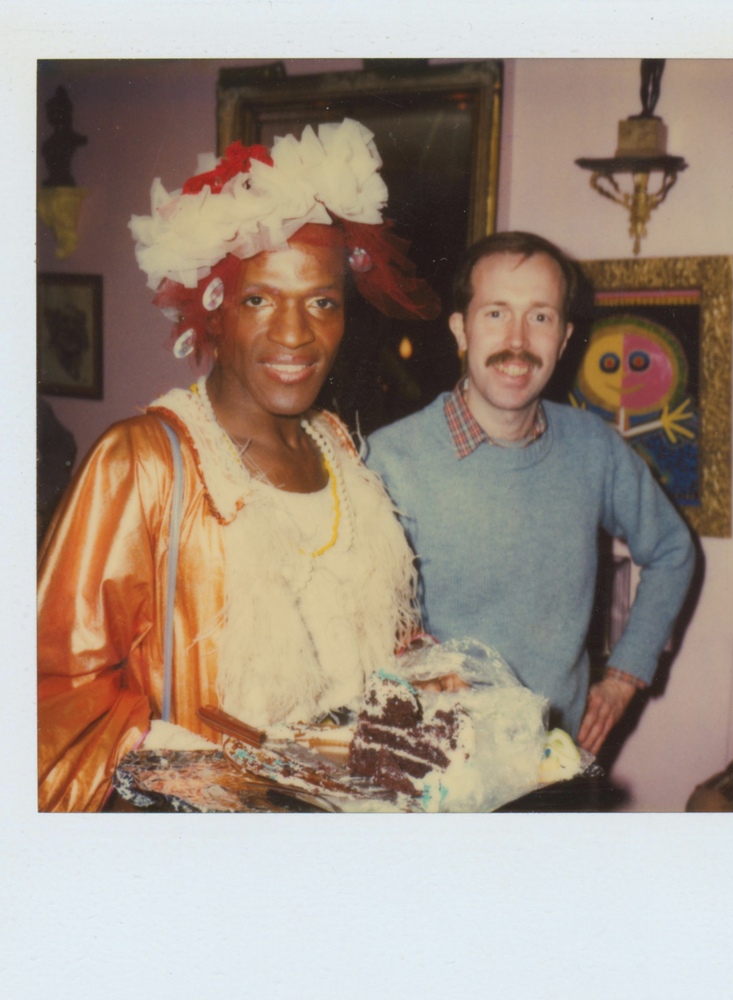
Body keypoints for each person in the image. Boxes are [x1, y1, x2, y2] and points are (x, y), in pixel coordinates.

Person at [37, 120, 440, 812]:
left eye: (322, 302)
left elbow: (362, 638)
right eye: (259, 299)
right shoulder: (141, 463)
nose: (294, 333)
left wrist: (419, 680)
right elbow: (48, 692)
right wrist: (185, 765)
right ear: (213, 315)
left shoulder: (339, 450)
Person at [365, 231, 695, 754]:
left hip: (556, 769)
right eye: (496, 313)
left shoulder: (594, 448)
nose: (517, 341)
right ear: (461, 330)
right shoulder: (388, 462)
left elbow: (674, 551)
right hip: (438, 776)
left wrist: (624, 676)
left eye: (539, 317)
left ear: (564, 339)